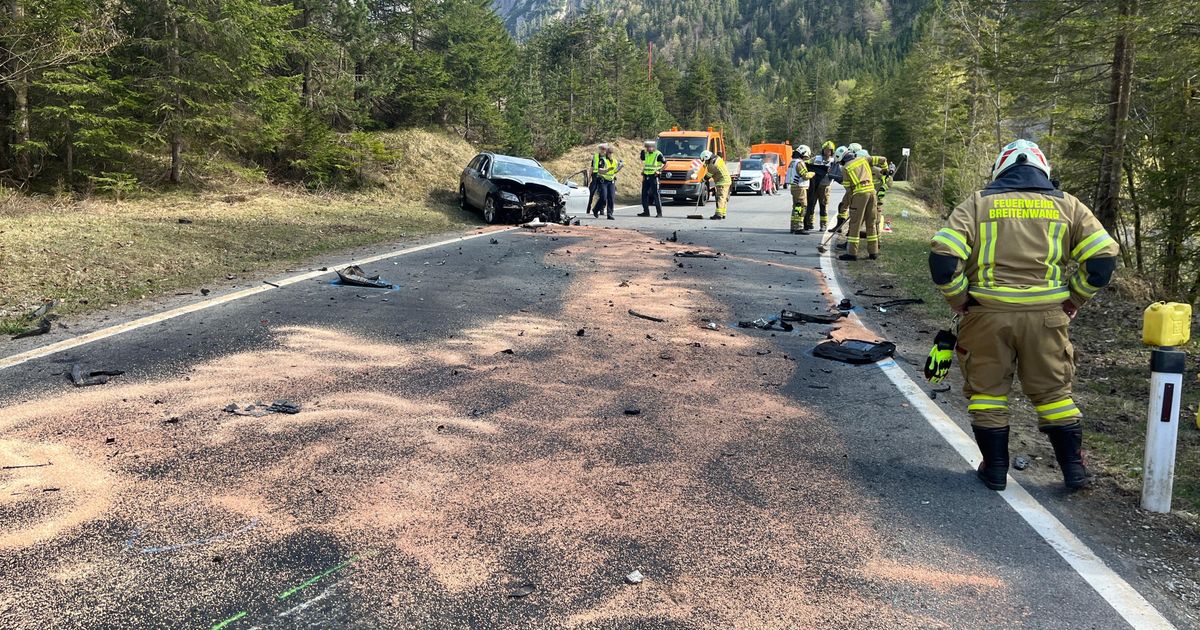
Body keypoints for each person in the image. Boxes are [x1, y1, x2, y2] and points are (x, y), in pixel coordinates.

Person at [928, 139, 1119, 492]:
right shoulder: (1069, 206)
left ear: (1000, 169)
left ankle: (996, 469)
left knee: (987, 393)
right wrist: (1074, 297)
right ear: (1044, 171)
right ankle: (1074, 471)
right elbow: (1102, 261)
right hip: (1047, 318)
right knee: (1054, 395)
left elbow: (942, 258)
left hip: (986, 315)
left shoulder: (977, 203)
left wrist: (959, 298)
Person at [830, 148, 878, 260]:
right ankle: (873, 252)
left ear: (841, 159)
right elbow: (882, 159)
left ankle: (852, 253)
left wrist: (848, 205)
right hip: (872, 193)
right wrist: (885, 168)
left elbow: (848, 190)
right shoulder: (863, 159)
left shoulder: (846, 168)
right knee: (871, 223)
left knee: (855, 224)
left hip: (860, 195)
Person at [807, 141, 836, 229]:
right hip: (815, 185)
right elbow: (806, 164)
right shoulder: (816, 158)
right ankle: (810, 222)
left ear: (832, 151)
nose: (827, 152)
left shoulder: (833, 161)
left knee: (823, 205)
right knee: (811, 204)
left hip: (825, 186)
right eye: (826, 150)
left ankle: (823, 225)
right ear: (823, 150)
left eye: (829, 150)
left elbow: (838, 172)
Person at [787, 146, 815, 233]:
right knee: (802, 207)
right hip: (800, 188)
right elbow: (805, 176)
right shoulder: (799, 163)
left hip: (794, 187)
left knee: (796, 207)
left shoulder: (793, 162)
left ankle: (794, 226)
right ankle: (799, 227)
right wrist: (813, 173)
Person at [638, 139, 665, 217]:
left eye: (650, 147)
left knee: (656, 195)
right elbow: (644, 160)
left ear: (654, 147)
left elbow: (666, 164)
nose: (649, 148)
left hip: (654, 176)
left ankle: (659, 213)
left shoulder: (658, 154)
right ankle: (646, 212)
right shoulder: (646, 153)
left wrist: (659, 171)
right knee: (644, 194)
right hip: (646, 176)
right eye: (647, 147)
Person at [701, 150, 731, 220]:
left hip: (722, 182)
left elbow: (708, 176)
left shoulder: (712, 165)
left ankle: (718, 215)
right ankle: (723, 213)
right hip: (727, 181)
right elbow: (707, 164)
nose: (705, 162)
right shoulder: (717, 158)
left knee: (720, 198)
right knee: (724, 198)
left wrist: (702, 180)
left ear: (707, 158)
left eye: (705, 160)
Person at [594, 144, 621, 220]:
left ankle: (610, 214)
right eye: (609, 152)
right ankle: (595, 209)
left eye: (611, 153)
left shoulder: (615, 161)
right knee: (603, 197)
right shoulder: (603, 160)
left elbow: (615, 171)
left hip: (611, 181)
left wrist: (620, 167)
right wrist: (607, 170)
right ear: (606, 152)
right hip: (603, 181)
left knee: (611, 198)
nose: (610, 154)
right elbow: (599, 170)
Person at [587, 143, 606, 217]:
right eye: (601, 149)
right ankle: (588, 208)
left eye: (604, 149)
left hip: (603, 177)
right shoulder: (595, 156)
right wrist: (589, 178)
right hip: (595, 177)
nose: (602, 150)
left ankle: (601, 209)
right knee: (591, 192)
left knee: (603, 195)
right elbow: (592, 167)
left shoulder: (607, 158)